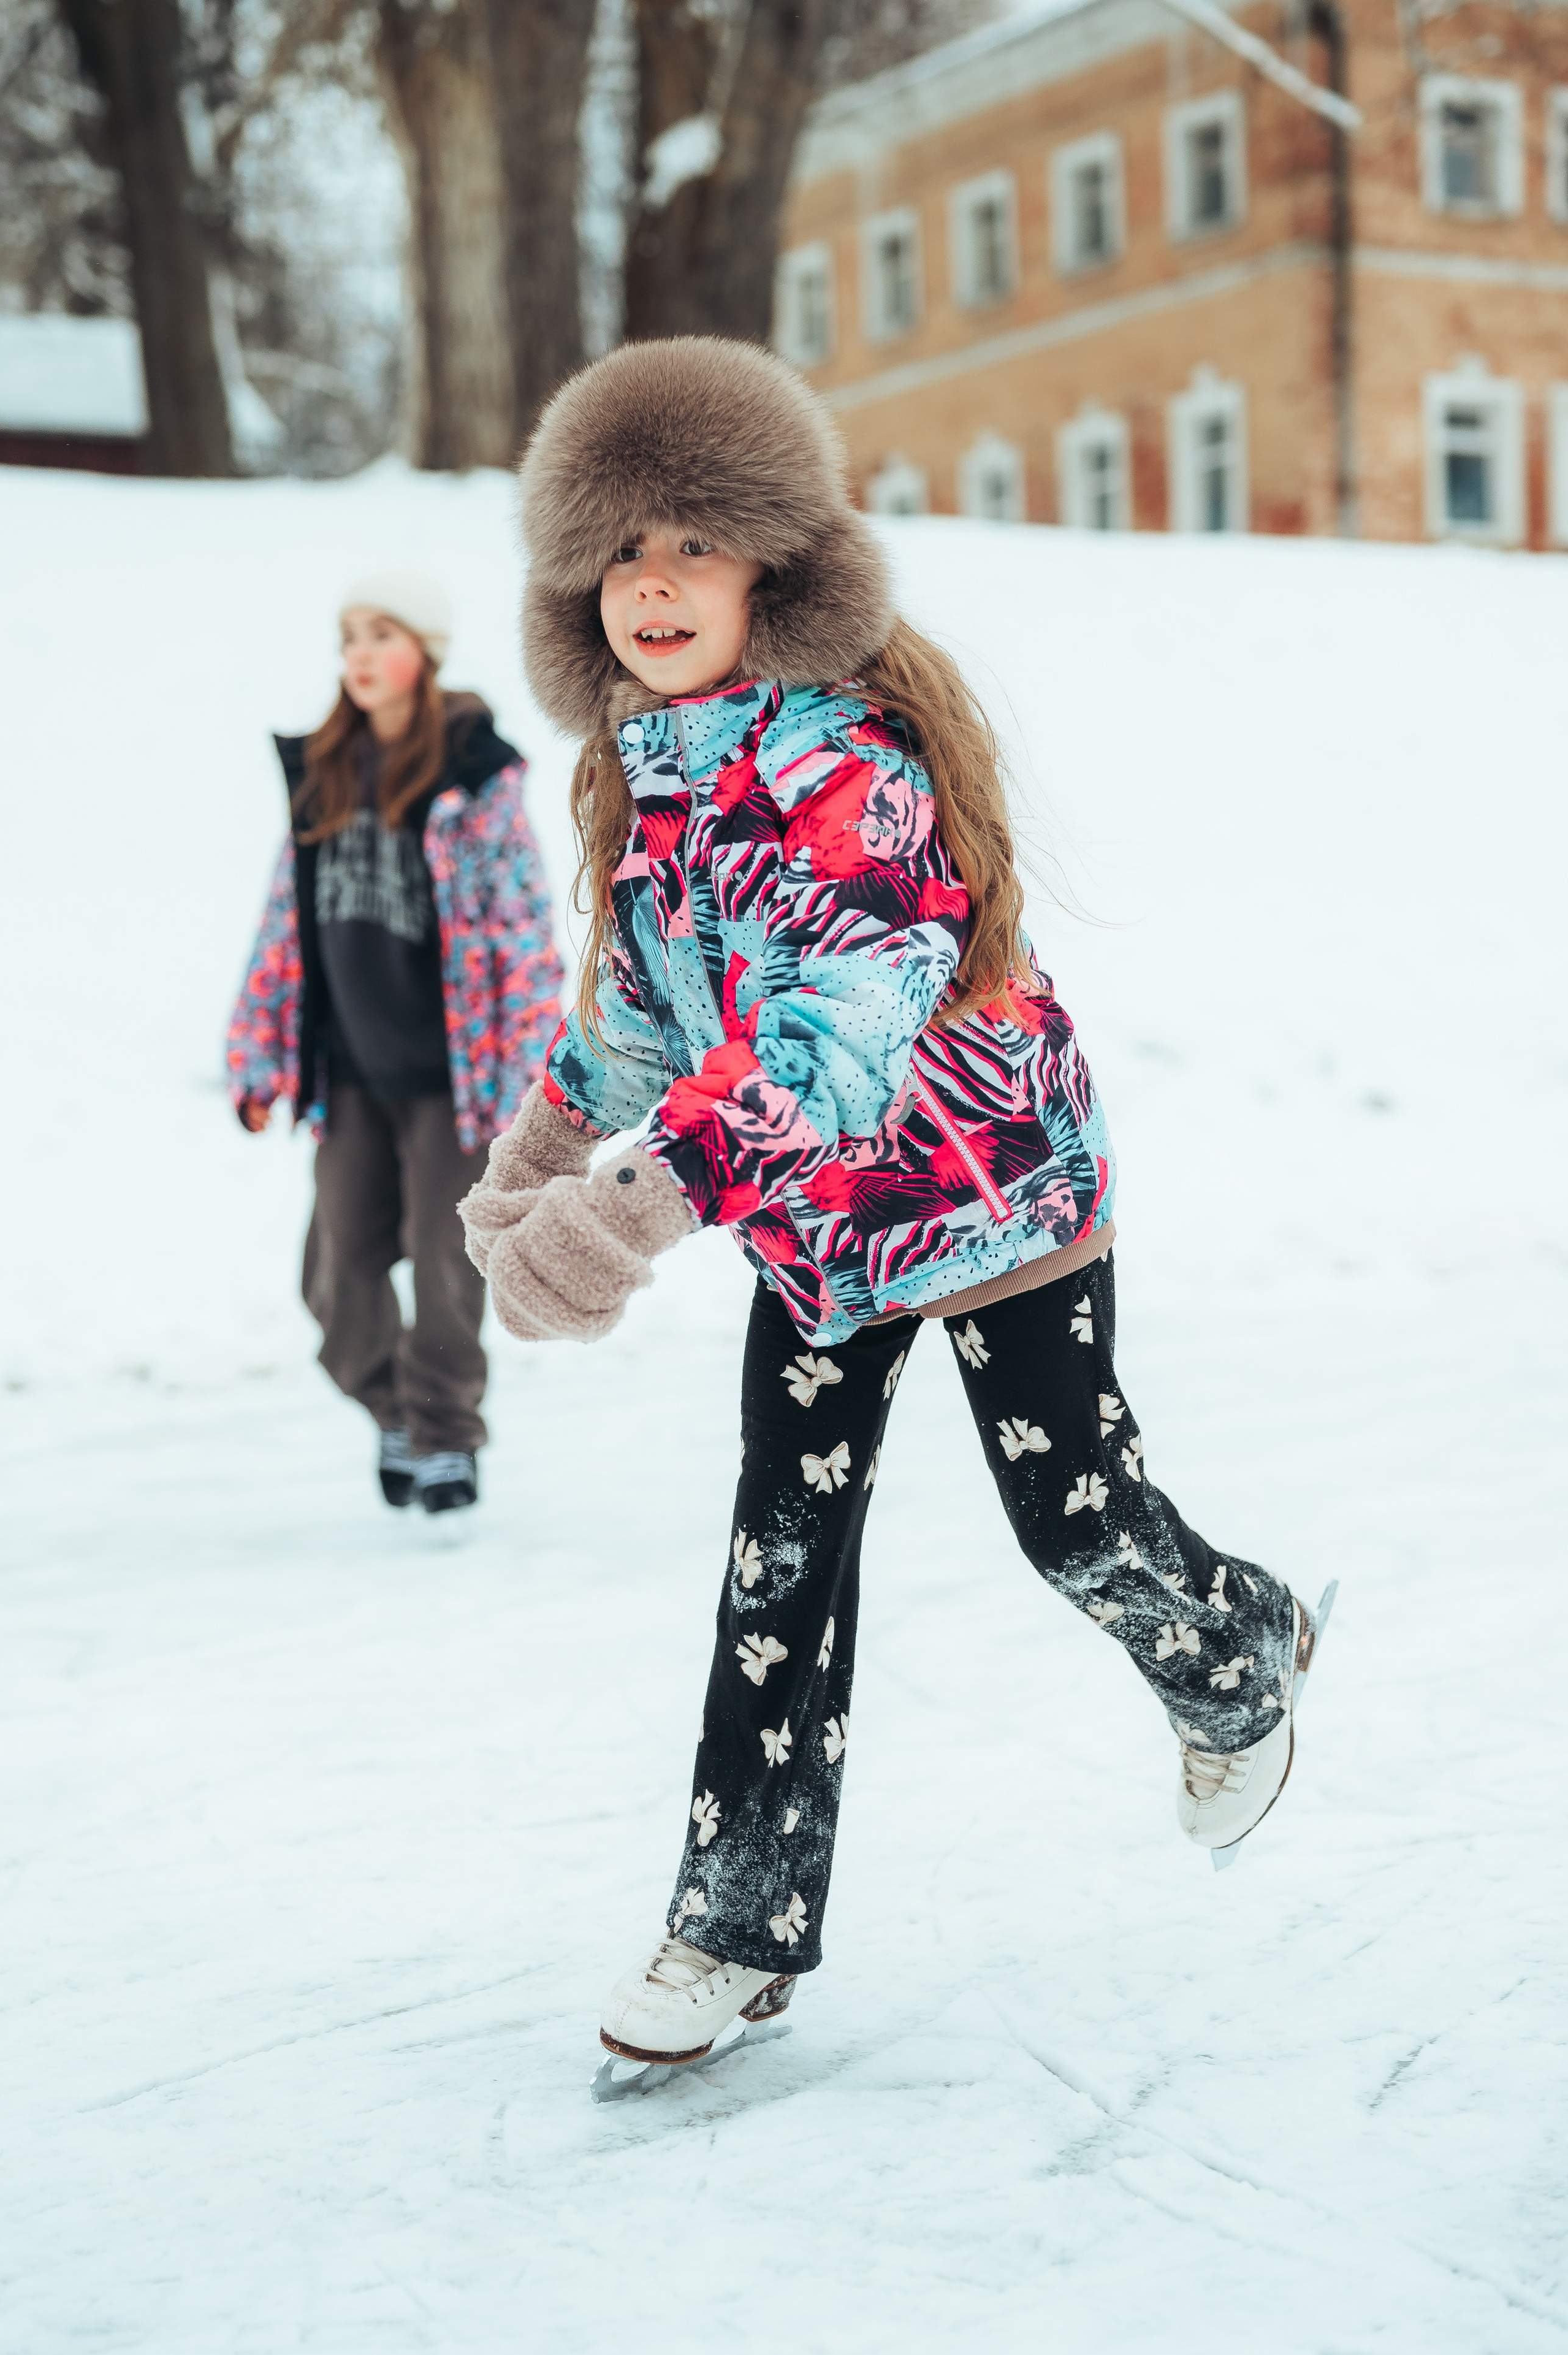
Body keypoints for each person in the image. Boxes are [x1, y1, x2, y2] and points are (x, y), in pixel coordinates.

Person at [460, 340, 1322, 2068]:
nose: (653, 583)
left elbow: (823, 1050)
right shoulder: (658, 788)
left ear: (773, 563)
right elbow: (642, 1017)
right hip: (820, 1245)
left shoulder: (851, 776)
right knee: (781, 1563)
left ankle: (1238, 1648)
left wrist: (627, 1214)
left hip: (997, 1203)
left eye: (692, 542)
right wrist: (541, 1163)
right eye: (622, 554)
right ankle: (737, 1925)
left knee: (1075, 1519)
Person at [228, 569, 563, 1516]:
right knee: (338, 1264)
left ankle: (447, 1432)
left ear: (425, 652)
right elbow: (283, 930)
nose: (360, 656)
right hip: (350, 1071)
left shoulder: (474, 776)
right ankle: (390, 1407)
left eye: (380, 635)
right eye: (349, 639)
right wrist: (259, 1058)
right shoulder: (324, 773)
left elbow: (522, 932)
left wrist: (536, 1078)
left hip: (455, 1079)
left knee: (446, 1259)